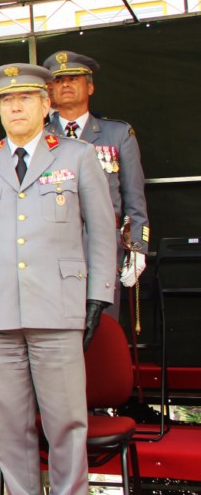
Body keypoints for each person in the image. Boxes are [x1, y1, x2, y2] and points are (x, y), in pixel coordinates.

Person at [0, 63, 116, 495]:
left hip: (58, 306)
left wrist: (98, 294)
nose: (16, 107)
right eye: (7, 101)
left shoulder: (77, 155)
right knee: (8, 422)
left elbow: (103, 231)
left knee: (65, 420)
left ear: (47, 105)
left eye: (26, 98)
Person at [43, 50, 148, 315]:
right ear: (49, 91)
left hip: (103, 244)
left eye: (73, 78)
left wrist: (137, 247)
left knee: (102, 329)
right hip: (50, 244)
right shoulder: (38, 137)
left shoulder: (118, 133)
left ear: (90, 87)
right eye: (58, 80)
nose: (65, 84)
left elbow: (134, 196)